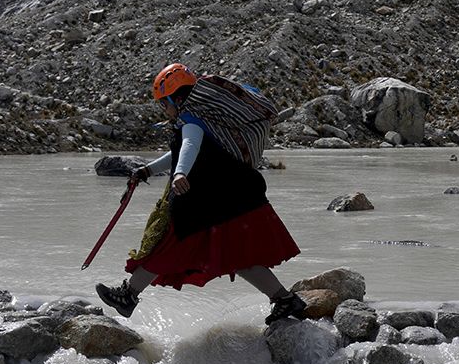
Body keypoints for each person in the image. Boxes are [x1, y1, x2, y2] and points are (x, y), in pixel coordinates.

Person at [94, 63, 309, 325]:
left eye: (164, 103)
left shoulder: (191, 121)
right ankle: (285, 300)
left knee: (165, 246)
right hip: (232, 200)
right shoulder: (201, 120)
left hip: (207, 205)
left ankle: (127, 296)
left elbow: (190, 145)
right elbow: (179, 152)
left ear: (176, 98)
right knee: (240, 258)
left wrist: (180, 174)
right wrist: (148, 171)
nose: (164, 109)